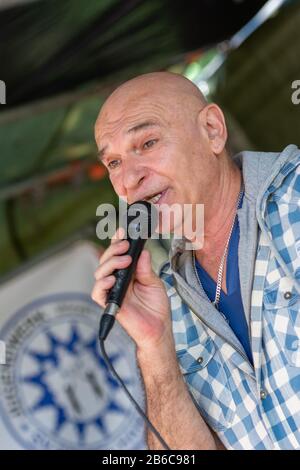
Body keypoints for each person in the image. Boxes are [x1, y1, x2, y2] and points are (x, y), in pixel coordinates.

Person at [92, 72, 300, 450]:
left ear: (212, 130)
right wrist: (155, 349)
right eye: (114, 163)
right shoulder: (166, 301)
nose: (128, 181)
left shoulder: (294, 201)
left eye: (148, 142)